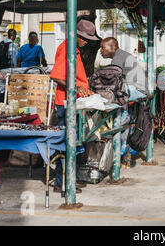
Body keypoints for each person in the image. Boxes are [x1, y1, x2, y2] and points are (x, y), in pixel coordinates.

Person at [50, 19, 99, 193]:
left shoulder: (75, 50)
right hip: (66, 103)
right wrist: (75, 87)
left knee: (76, 143)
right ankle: (61, 182)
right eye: (84, 38)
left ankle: (70, 177)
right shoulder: (66, 48)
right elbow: (55, 76)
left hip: (75, 102)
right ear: (77, 35)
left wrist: (85, 89)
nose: (86, 41)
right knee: (68, 143)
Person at [99, 37, 147, 168]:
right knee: (122, 116)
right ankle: (123, 154)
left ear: (112, 47)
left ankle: (118, 155)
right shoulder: (121, 56)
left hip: (137, 90)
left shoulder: (118, 58)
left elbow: (110, 82)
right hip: (137, 89)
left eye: (103, 47)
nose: (100, 51)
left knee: (116, 114)